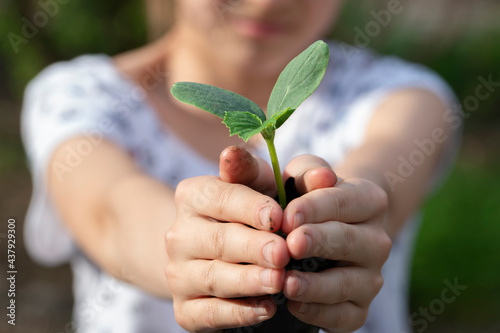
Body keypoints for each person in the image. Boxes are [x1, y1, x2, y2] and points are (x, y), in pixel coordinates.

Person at [21, 1, 460, 332]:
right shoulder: (80, 97)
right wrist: (194, 253)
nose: (268, 2)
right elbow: (112, 215)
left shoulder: (403, 97)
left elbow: (380, 176)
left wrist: (338, 206)